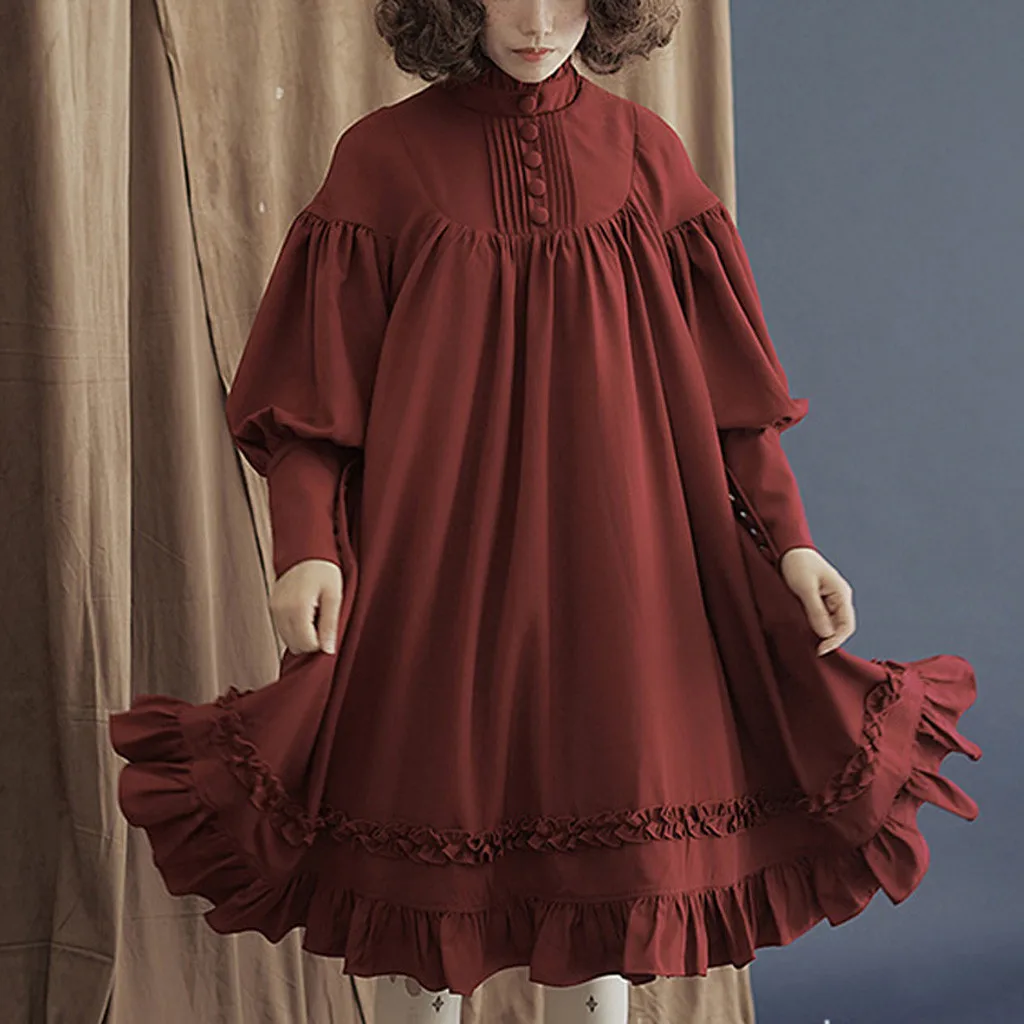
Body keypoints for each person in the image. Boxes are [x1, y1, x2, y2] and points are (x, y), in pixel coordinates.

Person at [108, 1, 983, 1022]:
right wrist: (309, 546)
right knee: (428, 882)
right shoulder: (382, 161)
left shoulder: (647, 155)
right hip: (435, 580)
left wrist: (793, 545)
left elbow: (733, 403)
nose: (534, 20)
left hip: (631, 586)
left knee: (610, 880)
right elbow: (311, 397)